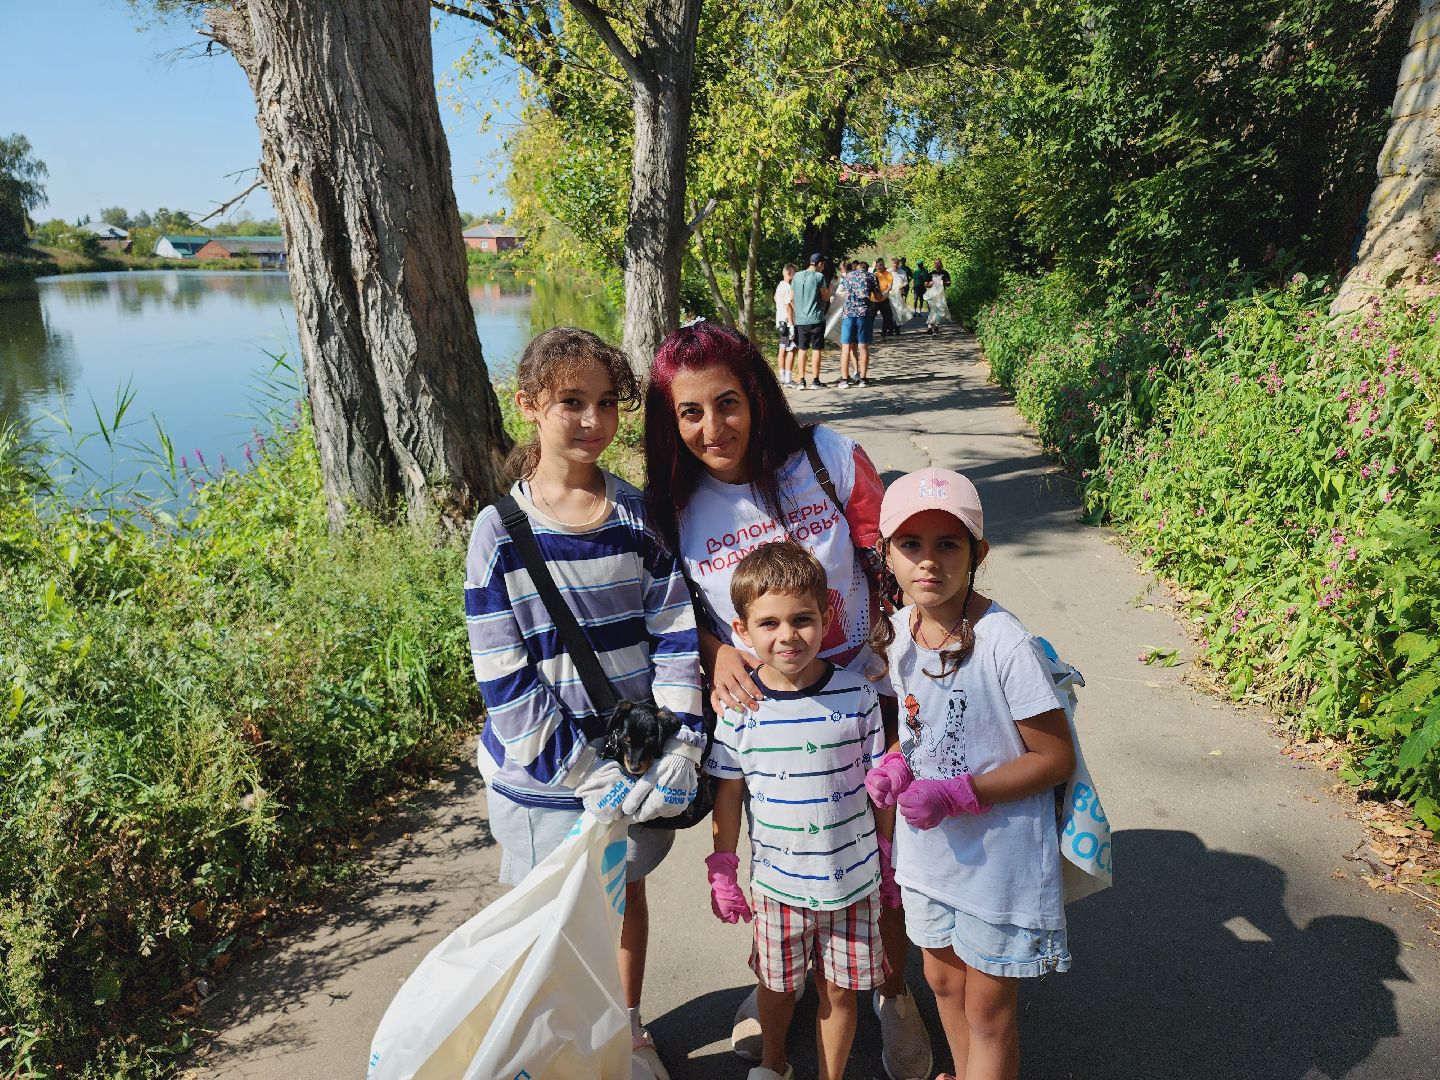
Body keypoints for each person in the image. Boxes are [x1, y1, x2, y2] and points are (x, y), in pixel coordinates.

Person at [643, 321, 934, 1080]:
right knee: (788, 850)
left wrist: (893, 625)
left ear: (758, 396)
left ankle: (892, 992)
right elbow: (679, 615)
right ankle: (780, 979)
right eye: (691, 412)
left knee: (881, 852)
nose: (714, 428)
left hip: (871, 696)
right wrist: (716, 656)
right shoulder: (674, 507)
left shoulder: (829, 458)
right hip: (771, 709)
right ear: (670, 421)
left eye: (729, 403)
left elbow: (895, 548)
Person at [465, 327, 706, 1080]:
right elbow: (502, 672)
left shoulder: (637, 517)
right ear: (530, 405)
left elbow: (673, 631)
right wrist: (578, 771)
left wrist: (683, 742)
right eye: (572, 402)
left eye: (607, 404)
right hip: (542, 783)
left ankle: (624, 1027)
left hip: (634, 773)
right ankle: (551, 1046)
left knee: (622, 896)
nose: (592, 421)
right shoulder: (497, 534)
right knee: (550, 917)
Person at [864, 468, 1076, 1080]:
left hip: (999, 860)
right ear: (887, 554)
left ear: (978, 553)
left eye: (947, 544)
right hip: (931, 854)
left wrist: (963, 792)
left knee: (988, 1010)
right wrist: (897, 763)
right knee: (940, 981)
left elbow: (1052, 757)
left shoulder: (1005, 643)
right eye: (911, 545)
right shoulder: (901, 631)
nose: (928, 562)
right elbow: (922, 725)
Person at [704, 542, 898, 1080]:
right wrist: (722, 863)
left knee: (839, 991)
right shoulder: (739, 708)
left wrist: (886, 856)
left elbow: (878, 784)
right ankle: (774, 1063)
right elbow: (729, 790)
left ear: (827, 617)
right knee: (776, 986)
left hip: (853, 882)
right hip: (778, 886)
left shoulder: (858, 695)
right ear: (741, 631)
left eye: (802, 619)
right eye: (768, 623)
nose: (787, 635)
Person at [790, 253, 830, 390]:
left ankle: (801, 380)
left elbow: (791, 298)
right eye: (823, 264)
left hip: (801, 320)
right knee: (817, 349)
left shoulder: (797, 276)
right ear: (819, 264)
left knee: (802, 349)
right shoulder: (819, 277)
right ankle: (815, 380)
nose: (824, 267)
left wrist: (798, 311)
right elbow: (825, 297)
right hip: (816, 318)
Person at [837, 259, 878, 389]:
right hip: (864, 314)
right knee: (863, 347)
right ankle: (863, 379)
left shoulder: (847, 276)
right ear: (866, 268)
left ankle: (844, 380)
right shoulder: (871, 276)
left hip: (848, 314)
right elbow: (878, 297)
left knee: (846, 347)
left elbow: (840, 292)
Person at [773, 263, 797, 386]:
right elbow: (788, 306)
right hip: (788, 322)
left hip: (780, 321)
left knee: (782, 348)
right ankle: (788, 378)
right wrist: (792, 324)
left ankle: (782, 377)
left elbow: (776, 298)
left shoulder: (780, 286)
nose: (795, 276)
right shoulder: (788, 287)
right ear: (789, 273)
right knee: (791, 349)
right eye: (794, 273)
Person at [924, 266, 951, 335]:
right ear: (934, 265)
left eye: (939, 263)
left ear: (941, 265)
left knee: (940, 311)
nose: (937, 265)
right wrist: (930, 284)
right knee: (933, 311)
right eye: (936, 263)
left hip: (941, 296)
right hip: (932, 295)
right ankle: (931, 327)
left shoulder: (944, 273)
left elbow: (949, 283)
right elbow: (925, 284)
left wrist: (943, 283)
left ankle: (934, 327)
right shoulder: (931, 274)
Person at [874, 257, 897, 338]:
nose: (879, 267)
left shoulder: (888, 274)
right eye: (877, 266)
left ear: (883, 265)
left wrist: (884, 293)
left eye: (881, 265)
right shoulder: (875, 275)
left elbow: (889, 286)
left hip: (884, 298)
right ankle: (868, 332)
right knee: (871, 316)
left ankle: (885, 332)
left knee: (887, 316)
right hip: (875, 299)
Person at [888, 257, 909, 331]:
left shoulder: (902, 272)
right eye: (893, 263)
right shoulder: (888, 272)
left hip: (899, 293)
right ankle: (890, 328)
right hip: (889, 294)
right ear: (891, 263)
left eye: (896, 264)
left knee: (899, 310)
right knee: (890, 311)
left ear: (898, 264)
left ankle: (897, 327)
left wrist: (903, 285)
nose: (895, 265)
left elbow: (906, 282)